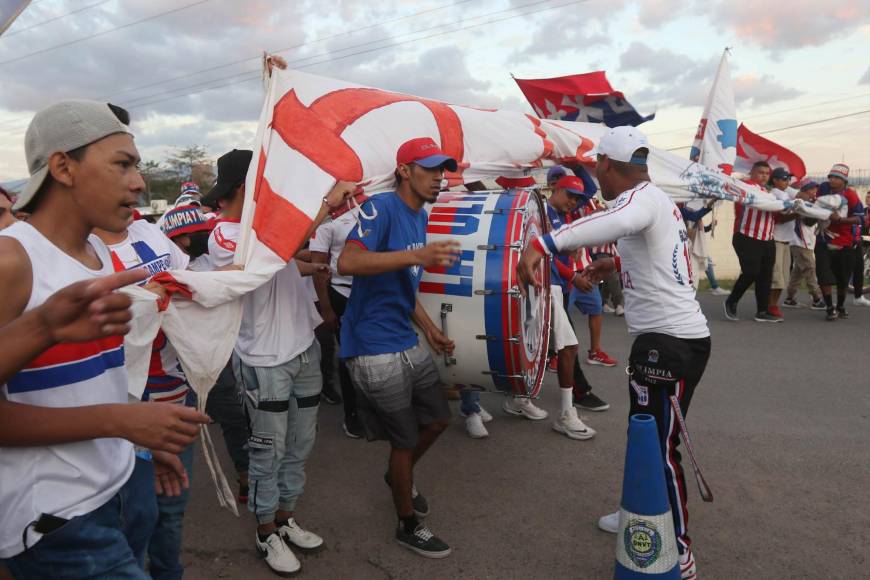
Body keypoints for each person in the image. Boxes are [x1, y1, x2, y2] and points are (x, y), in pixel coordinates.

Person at [0, 100, 209, 578]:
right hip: (59, 519)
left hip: (122, 488)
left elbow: (96, 381)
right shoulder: (12, 261)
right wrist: (122, 419)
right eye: (122, 163)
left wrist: (136, 443)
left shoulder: (97, 250)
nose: (138, 181)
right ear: (63, 167)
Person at [518, 126, 711, 580]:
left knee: (662, 447)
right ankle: (640, 511)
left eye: (596, 168)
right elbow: (657, 256)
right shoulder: (657, 199)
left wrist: (545, 242)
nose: (595, 178)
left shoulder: (638, 199)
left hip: (670, 344)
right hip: (669, 341)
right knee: (645, 437)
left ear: (606, 163)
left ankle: (679, 551)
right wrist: (615, 263)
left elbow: (619, 219)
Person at [202, 148, 351, 576]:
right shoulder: (224, 234)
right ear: (244, 188)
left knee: (300, 446)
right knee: (269, 451)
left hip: (303, 349)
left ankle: (285, 519)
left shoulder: (264, 229)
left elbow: (283, 262)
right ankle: (265, 530)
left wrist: (310, 265)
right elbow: (268, 257)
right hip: (264, 361)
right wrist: (326, 205)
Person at [338, 137, 459, 558]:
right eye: (430, 169)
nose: (439, 178)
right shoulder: (383, 207)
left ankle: (397, 477)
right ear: (405, 170)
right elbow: (348, 262)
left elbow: (403, 290)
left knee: (439, 420)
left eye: (443, 171)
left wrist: (429, 329)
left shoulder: (419, 216)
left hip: (406, 339)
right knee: (404, 441)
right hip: (373, 345)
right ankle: (407, 525)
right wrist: (418, 255)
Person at [94, 214, 198, 580]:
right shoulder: (82, 253)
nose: (136, 181)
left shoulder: (148, 232)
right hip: (123, 401)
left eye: (137, 166)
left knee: (172, 503)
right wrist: (144, 299)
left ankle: (169, 572)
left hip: (175, 391)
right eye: (121, 165)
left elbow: (193, 281)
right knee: (134, 513)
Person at [539, 174, 599, 440]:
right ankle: (566, 412)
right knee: (568, 347)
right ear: (554, 188)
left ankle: (517, 398)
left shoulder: (562, 216)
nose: (573, 202)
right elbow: (544, 255)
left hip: (556, 288)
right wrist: (572, 275)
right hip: (545, 287)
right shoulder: (541, 212)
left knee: (544, 347)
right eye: (569, 195)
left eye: (577, 199)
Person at [310, 207, 366, 437]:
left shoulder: (373, 210)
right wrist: (326, 308)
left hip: (369, 294)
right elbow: (318, 268)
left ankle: (372, 408)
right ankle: (351, 415)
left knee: (372, 353)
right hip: (340, 295)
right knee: (349, 356)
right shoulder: (327, 222)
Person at [723, 161, 781, 322]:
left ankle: (762, 311)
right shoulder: (746, 187)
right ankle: (731, 301)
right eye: (761, 172)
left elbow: (776, 216)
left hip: (767, 238)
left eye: (767, 173)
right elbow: (759, 200)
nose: (764, 176)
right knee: (751, 271)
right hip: (746, 236)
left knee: (765, 276)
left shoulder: (769, 194)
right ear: (752, 173)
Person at [815, 163, 866, 319]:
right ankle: (830, 308)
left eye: (837, 177)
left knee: (843, 279)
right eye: (831, 176)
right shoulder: (823, 189)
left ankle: (841, 306)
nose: (832, 180)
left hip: (845, 243)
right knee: (823, 276)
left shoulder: (851, 195)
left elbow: (860, 219)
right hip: (823, 240)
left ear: (844, 180)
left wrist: (841, 220)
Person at [783, 180, 824, 309]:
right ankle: (817, 298)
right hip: (801, 242)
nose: (814, 192)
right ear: (805, 190)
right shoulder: (801, 202)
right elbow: (809, 221)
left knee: (798, 272)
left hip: (806, 242)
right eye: (812, 189)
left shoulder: (810, 203)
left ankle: (790, 298)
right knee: (810, 269)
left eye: (815, 189)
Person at [767, 167, 799, 319]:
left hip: (786, 241)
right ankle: (770, 306)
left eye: (788, 179)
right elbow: (779, 218)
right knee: (776, 277)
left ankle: (772, 305)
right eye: (785, 179)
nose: (788, 182)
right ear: (775, 180)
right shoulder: (774, 194)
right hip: (777, 240)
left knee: (783, 277)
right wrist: (797, 213)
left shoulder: (786, 194)